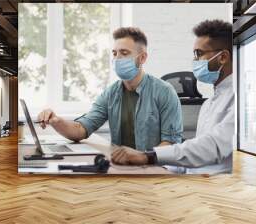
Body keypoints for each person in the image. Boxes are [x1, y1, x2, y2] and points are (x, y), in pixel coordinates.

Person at [111, 20, 235, 174]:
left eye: (199, 53)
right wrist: (160, 167)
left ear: (222, 57)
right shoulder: (208, 104)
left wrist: (148, 156)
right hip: (192, 182)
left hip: (216, 189)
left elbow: (213, 147)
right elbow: (192, 159)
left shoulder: (239, 99)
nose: (195, 61)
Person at [38, 27, 183, 151]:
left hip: (156, 169)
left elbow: (171, 143)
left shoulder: (164, 91)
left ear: (142, 58)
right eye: (115, 53)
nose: (117, 59)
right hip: (122, 167)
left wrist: (143, 158)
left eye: (124, 53)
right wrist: (56, 121)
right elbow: (81, 129)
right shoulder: (111, 93)